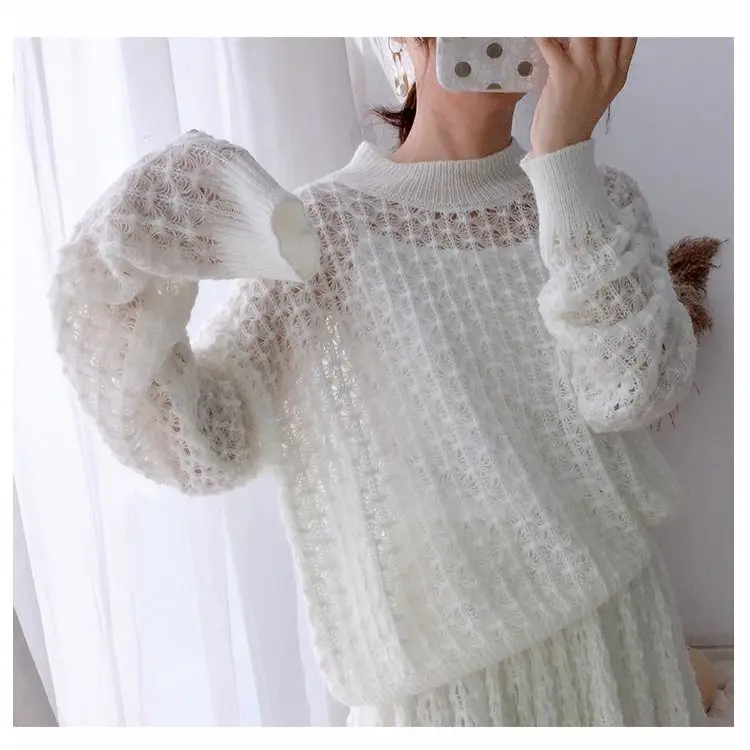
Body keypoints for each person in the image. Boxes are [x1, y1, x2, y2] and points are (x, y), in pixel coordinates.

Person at [50, 37, 706, 726]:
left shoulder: (600, 199)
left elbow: (631, 388)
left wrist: (565, 157)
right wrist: (128, 254)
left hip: (618, 645)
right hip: (442, 686)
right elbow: (204, 446)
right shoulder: (322, 232)